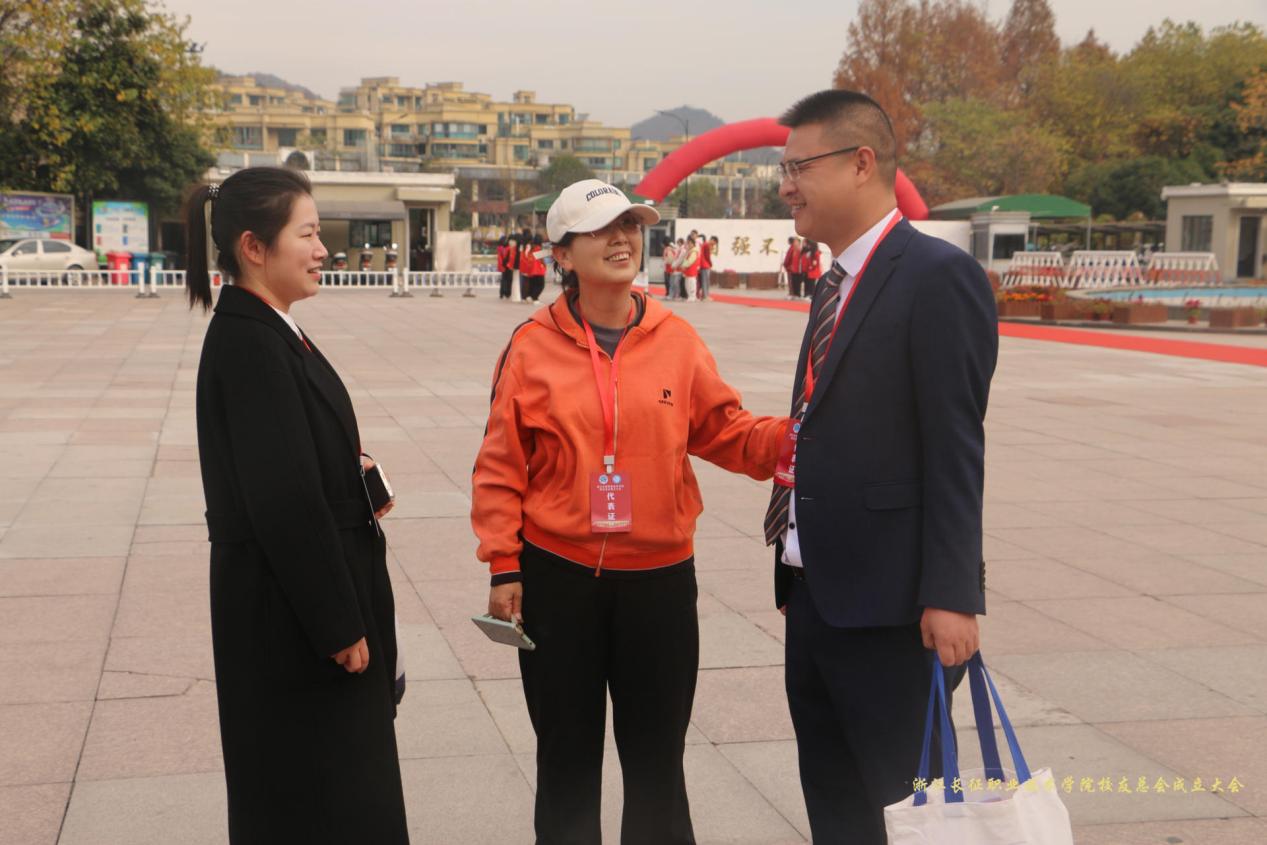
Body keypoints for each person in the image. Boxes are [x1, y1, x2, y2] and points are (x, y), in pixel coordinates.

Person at [472, 179, 789, 844]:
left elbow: (725, 430)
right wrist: (504, 564)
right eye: (600, 230)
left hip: (659, 585)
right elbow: (500, 465)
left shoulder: (676, 338)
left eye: (630, 226)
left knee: (656, 763)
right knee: (566, 759)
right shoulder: (530, 345)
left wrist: (794, 440)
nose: (620, 239)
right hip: (558, 580)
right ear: (562, 255)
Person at [767, 90, 997, 844]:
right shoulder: (833, 282)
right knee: (835, 807)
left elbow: (955, 446)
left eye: (799, 168)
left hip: (896, 614)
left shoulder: (936, 276)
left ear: (861, 163)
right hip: (815, 598)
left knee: (913, 813)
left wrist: (952, 594)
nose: (786, 185)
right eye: (783, 169)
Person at [185, 167, 409, 843]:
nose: (322, 249)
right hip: (291, 620)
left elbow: (292, 460)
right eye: (307, 234)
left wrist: (352, 475)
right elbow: (282, 500)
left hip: (302, 602)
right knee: (320, 801)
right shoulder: (251, 343)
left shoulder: (272, 329)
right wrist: (337, 624)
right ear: (254, 247)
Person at [679, 232, 701, 301]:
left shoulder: (694, 251)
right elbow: (686, 260)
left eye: (690, 243)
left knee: (691, 283)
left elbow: (690, 261)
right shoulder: (689, 251)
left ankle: (692, 296)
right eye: (688, 243)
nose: (689, 245)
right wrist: (683, 265)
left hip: (691, 270)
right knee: (687, 283)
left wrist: (684, 266)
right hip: (688, 270)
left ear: (693, 244)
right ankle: (690, 296)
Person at [696, 232, 712, 300]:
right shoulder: (705, 245)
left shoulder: (701, 245)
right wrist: (710, 264)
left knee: (702, 281)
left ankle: (703, 295)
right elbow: (707, 256)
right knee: (705, 281)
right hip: (704, 265)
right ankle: (705, 296)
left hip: (701, 265)